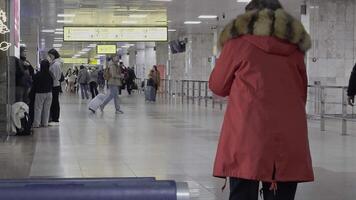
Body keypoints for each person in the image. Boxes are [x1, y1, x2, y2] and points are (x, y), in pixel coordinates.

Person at [209, 0, 314, 200]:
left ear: (249, 18)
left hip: (246, 136)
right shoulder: (295, 49)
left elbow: (218, 85)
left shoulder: (237, 44)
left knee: (243, 193)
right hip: (288, 138)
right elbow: (301, 92)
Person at [32, 60, 53, 128]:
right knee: (47, 109)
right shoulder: (50, 74)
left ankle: (36, 124)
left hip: (40, 93)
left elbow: (34, 83)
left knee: (38, 108)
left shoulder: (38, 74)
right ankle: (45, 123)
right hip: (49, 93)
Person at [48, 49, 63, 126]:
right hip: (55, 84)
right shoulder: (55, 63)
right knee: (54, 101)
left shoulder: (56, 64)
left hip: (55, 85)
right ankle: (54, 117)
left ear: (54, 55)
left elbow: (56, 76)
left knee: (55, 102)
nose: (50, 57)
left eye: (50, 55)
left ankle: (55, 118)